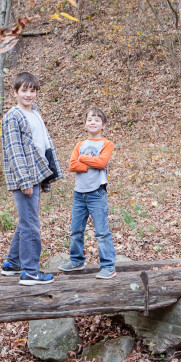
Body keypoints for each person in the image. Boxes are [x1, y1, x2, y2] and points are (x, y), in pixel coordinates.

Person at [0, 72, 62, 285]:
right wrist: (25, 181)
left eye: (32, 90)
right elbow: (15, 152)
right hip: (24, 177)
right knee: (31, 225)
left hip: (36, 174)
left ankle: (12, 263)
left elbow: (42, 145)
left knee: (26, 220)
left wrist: (44, 177)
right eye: (24, 90)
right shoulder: (13, 116)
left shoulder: (34, 112)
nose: (28, 94)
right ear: (15, 92)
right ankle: (29, 271)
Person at [58, 107, 116, 279]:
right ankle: (76, 260)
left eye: (97, 120)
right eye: (90, 119)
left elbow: (102, 162)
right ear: (85, 124)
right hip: (79, 193)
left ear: (103, 125)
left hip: (96, 193)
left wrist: (83, 159)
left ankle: (108, 266)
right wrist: (89, 163)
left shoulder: (106, 144)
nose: (93, 122)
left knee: (101, 232)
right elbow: (71, 166)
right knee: (75, 229)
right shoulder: (80, 145)